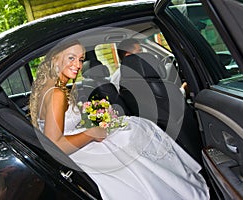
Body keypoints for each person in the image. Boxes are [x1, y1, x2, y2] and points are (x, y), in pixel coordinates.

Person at [29, 39, 210, 200]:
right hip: (79, 153)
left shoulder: (47, 88)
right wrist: (91, 133)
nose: (77, 64)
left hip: (77, 146)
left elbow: (60, 127)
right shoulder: (57, 93)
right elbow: (55, 145)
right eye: (71, 58)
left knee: (133, 127)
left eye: (81, 59)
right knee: (135, 133)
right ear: (55, 59)